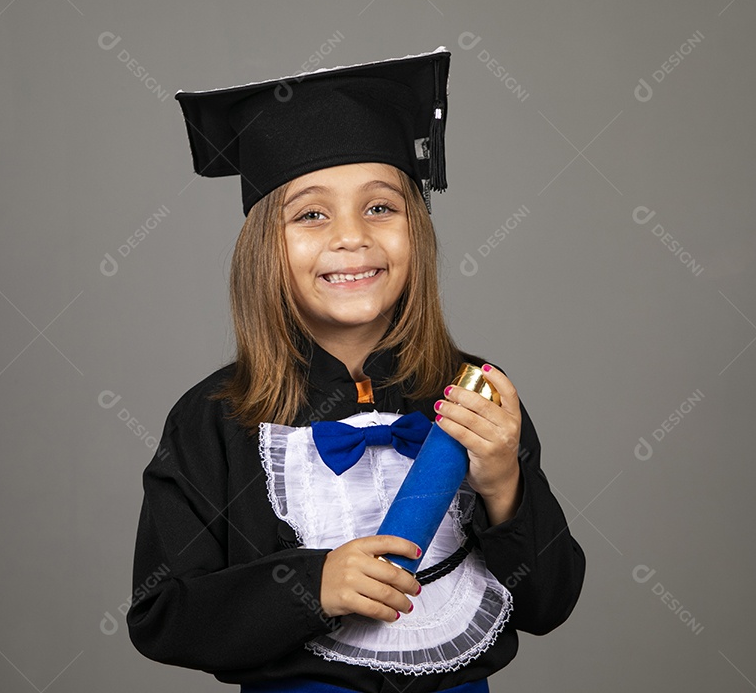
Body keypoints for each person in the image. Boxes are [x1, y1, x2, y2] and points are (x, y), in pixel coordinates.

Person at [127, 47, 585, 693]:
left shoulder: (475, 394)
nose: (352, 237)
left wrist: (505, 484)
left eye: (380, 207)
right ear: (264, 247)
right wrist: (311, 586)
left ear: (416, 229)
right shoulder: (215, 419)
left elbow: (549, 603)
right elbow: (163, 616)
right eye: (312, 214)